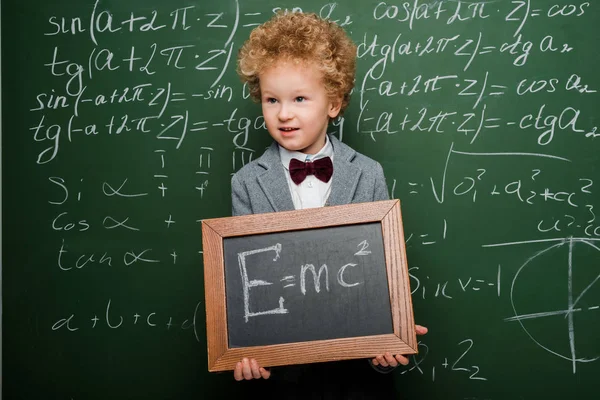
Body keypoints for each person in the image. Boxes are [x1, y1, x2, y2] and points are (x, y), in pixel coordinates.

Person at [230, 10, 427, 397]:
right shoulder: (246, 183)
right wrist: (245, 350)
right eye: (272, 100)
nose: (284, 113)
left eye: (300, 98)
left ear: (333, 103)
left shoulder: (368, 173)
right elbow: (242, 284)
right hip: (283, 372)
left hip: (356, 374)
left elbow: (380, 274)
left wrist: (388, 340)